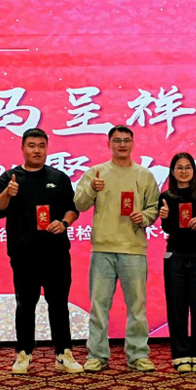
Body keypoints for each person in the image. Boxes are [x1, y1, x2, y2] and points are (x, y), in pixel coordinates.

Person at [0, 128, 82, 375]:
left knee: (59, 304)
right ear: (22, 148)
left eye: (41, 146)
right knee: (25, 305)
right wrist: (7, 194)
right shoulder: (9, 177)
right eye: (31, 145)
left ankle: (63, 353)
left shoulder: (59, 177)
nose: (37, 150)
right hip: (24, 254)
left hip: (56, 253)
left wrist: (63, 223)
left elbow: (72, 209)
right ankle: (24, 353)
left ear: (47, 148)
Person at [74, 125, 160, 372]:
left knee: (137, 307)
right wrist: (92, 188)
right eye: (117, 140)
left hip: (133, 249)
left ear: (133, 143)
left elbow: (154, 208)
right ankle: (97, 355)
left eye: (126, 140)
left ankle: (138, 354)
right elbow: (79, 204)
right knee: (99, 306)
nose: (122, 144)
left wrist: (144, 217)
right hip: (102, 249)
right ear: (108, 143)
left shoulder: (144, 175)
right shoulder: (96, 173)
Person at [158, 152, 196, 373]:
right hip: (175, 256)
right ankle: (181, 354)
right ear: (173, 172)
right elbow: (167, 229)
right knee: (177, 307)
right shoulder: (166, 197)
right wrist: (164, 216)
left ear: (194, 171)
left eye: (188, 167)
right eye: (179, 168)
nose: (184, 171)